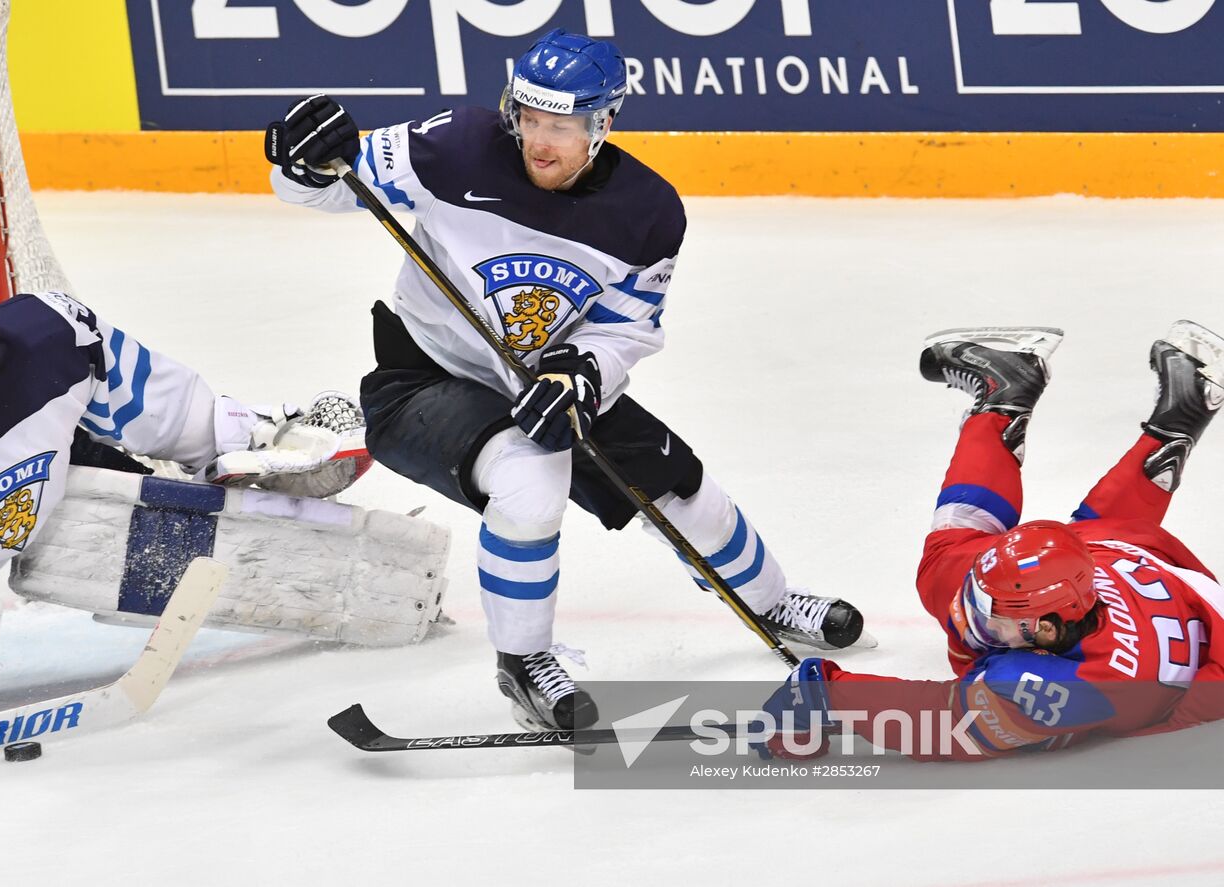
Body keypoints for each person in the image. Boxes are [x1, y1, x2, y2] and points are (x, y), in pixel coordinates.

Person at [264, 29, 869, 732]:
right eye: (529, 119)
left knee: (679, 485)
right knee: (532, 475)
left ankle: (771, 601)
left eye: (561, 126)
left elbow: (626, 328)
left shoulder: (648, 213)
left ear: (602, 124)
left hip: (546, 379)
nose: (539, 142)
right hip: (421, 379)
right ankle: (525, 665)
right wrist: (300, 163)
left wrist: (582, 371)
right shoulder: (455, 146)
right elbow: (334, 182)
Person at [0, 286, 377, 796]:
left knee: (147, 514)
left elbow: (150, 400)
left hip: (36, 465)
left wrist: (236, 435)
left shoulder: (53, 335)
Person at [761, 321, 1224, 760]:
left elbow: (944, 721)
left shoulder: (1068, 684)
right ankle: (1168, 418)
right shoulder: (1064, 613)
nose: (973, 620)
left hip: (1138, 559)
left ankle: (1017, 395)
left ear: (1046, 629)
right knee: (1003, 564)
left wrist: (826, 695)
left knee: (945, 565)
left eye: (995, 616)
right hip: (1143, 572)